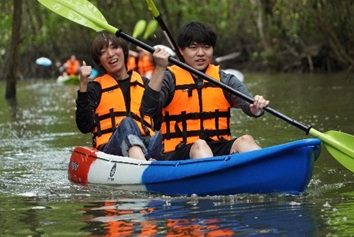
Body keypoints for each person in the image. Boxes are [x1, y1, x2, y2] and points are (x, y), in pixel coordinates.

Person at [141, 21, 269, 161]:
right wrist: (160, 68)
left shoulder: (223, 78)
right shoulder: (169, 78)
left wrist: (256, 108)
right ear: (181, 51)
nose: (201, 53)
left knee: (246, 140)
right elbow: (148, 109)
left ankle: (268, 169)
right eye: (193, 48)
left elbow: (248, 104)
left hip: (217, 146)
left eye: (206, 47)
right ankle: (215, 179)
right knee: (200, 146)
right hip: (178, 152)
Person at [75, 32, 162, 160]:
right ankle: (143, 165)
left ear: (124, 51)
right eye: (103, 52)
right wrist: (83, 86)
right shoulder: (95, 88)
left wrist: (161, 66)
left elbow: (159, 122)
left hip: (147, 144)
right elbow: (84, 126)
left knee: (168, 132)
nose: (110, 54)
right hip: (112, 150)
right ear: (99, 61)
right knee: (127, 122)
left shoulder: (145, 84)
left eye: (114, 47)